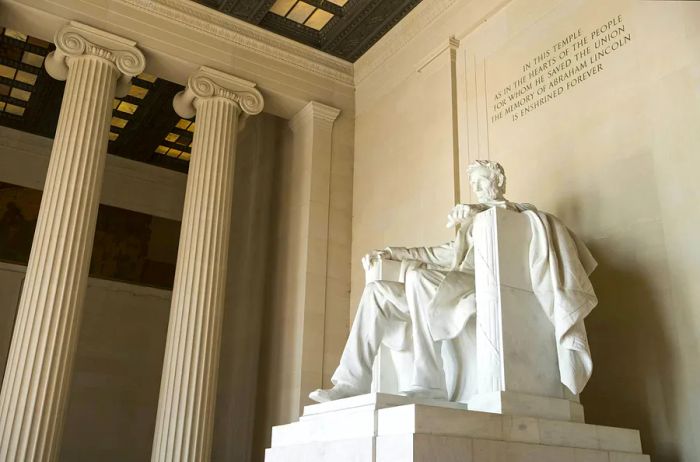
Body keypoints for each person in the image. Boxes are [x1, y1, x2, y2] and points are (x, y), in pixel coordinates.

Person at [309, 160, 538, 403]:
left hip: (479, 284)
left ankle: (428, 382)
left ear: (498, 180)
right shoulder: (469, 226)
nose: (477, 187)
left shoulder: (519, 213)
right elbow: (437, 254)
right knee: (376, 291)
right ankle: (351, 382)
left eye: (481, 180)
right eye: (473, 183)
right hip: (441, 289)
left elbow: (516, 219)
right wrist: (392, 253)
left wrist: (479, 211)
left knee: (417, 276)